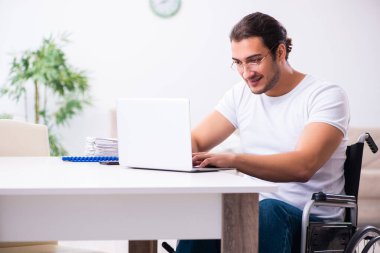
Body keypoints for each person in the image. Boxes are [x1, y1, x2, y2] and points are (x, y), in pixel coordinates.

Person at [175, 12, 349, 253]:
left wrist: (234, 161)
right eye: (238, 62)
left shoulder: (325, 96)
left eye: (254, 60)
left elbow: (303, 165)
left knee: (267, 210)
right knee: (206, 209)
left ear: (280, 52)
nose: (246, 72)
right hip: (255, 213)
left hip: (313, 223)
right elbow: (196, 139)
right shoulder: (240, 95)